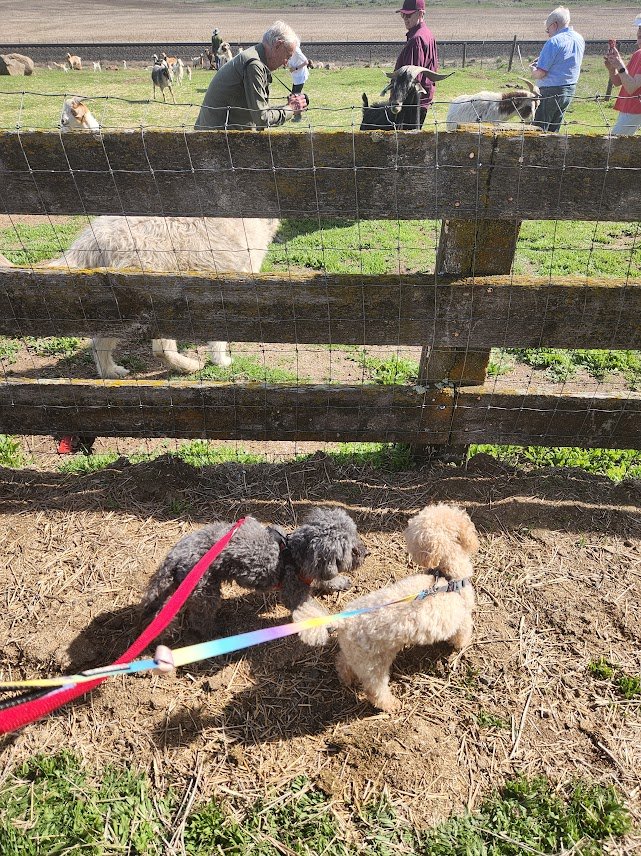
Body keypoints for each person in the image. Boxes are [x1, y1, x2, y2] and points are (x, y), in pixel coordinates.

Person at [196, 21, 308, 130]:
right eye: (287, 56)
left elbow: (259, 112)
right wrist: (291, 109)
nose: (286, 63)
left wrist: (287, 107)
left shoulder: (255, 57)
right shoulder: (254, 65)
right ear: (278, 45)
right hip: (214, 140)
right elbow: (262, 119)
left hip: (218, 134)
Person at [530, 6, 585, 132]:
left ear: (554, 25)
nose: (548, 33)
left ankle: (537, 151)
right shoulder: (579, 38)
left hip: (550, 91)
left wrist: (532, 70)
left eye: (547, 29)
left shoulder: (554, 42)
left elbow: (541, 73)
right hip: (569, 90)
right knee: (554, 130)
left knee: (538, 129)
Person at [394, 0, 439, 129]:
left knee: (405, 144)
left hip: (412, 103)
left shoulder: (416, 39)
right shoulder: (427, 34)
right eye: (403, 15)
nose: (405, 19)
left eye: (409, 15)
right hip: (421, 101)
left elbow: (411, 78)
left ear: (420, 14)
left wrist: (398, 101)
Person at [604, 14, 641, 135]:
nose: (639, 31)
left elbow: (631, 87)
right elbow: (618, 82)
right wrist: (612, 67)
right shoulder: (638, 54)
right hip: (629, 107)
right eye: (639, 29)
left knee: (614, 145)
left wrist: (619, 65)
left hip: (635, 109)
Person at [287, 40, 310, 121]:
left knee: (295, 96)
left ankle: (298, 116)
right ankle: (296, 114)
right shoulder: (289, 50)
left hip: (300, 76)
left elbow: (306, 62)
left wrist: (295, 68)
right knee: (294, 95)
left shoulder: (296, 50)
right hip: (296, 77)